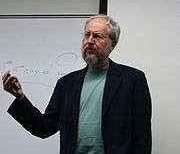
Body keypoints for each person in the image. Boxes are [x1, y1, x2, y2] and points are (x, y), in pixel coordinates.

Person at [2, 15, 152, 154]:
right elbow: (44, 128)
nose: (90, 41)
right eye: (87, 35)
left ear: (112, 44)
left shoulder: (132, 80)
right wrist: (21, 98)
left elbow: (142, 138)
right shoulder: (66, 84)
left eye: (97, 36)